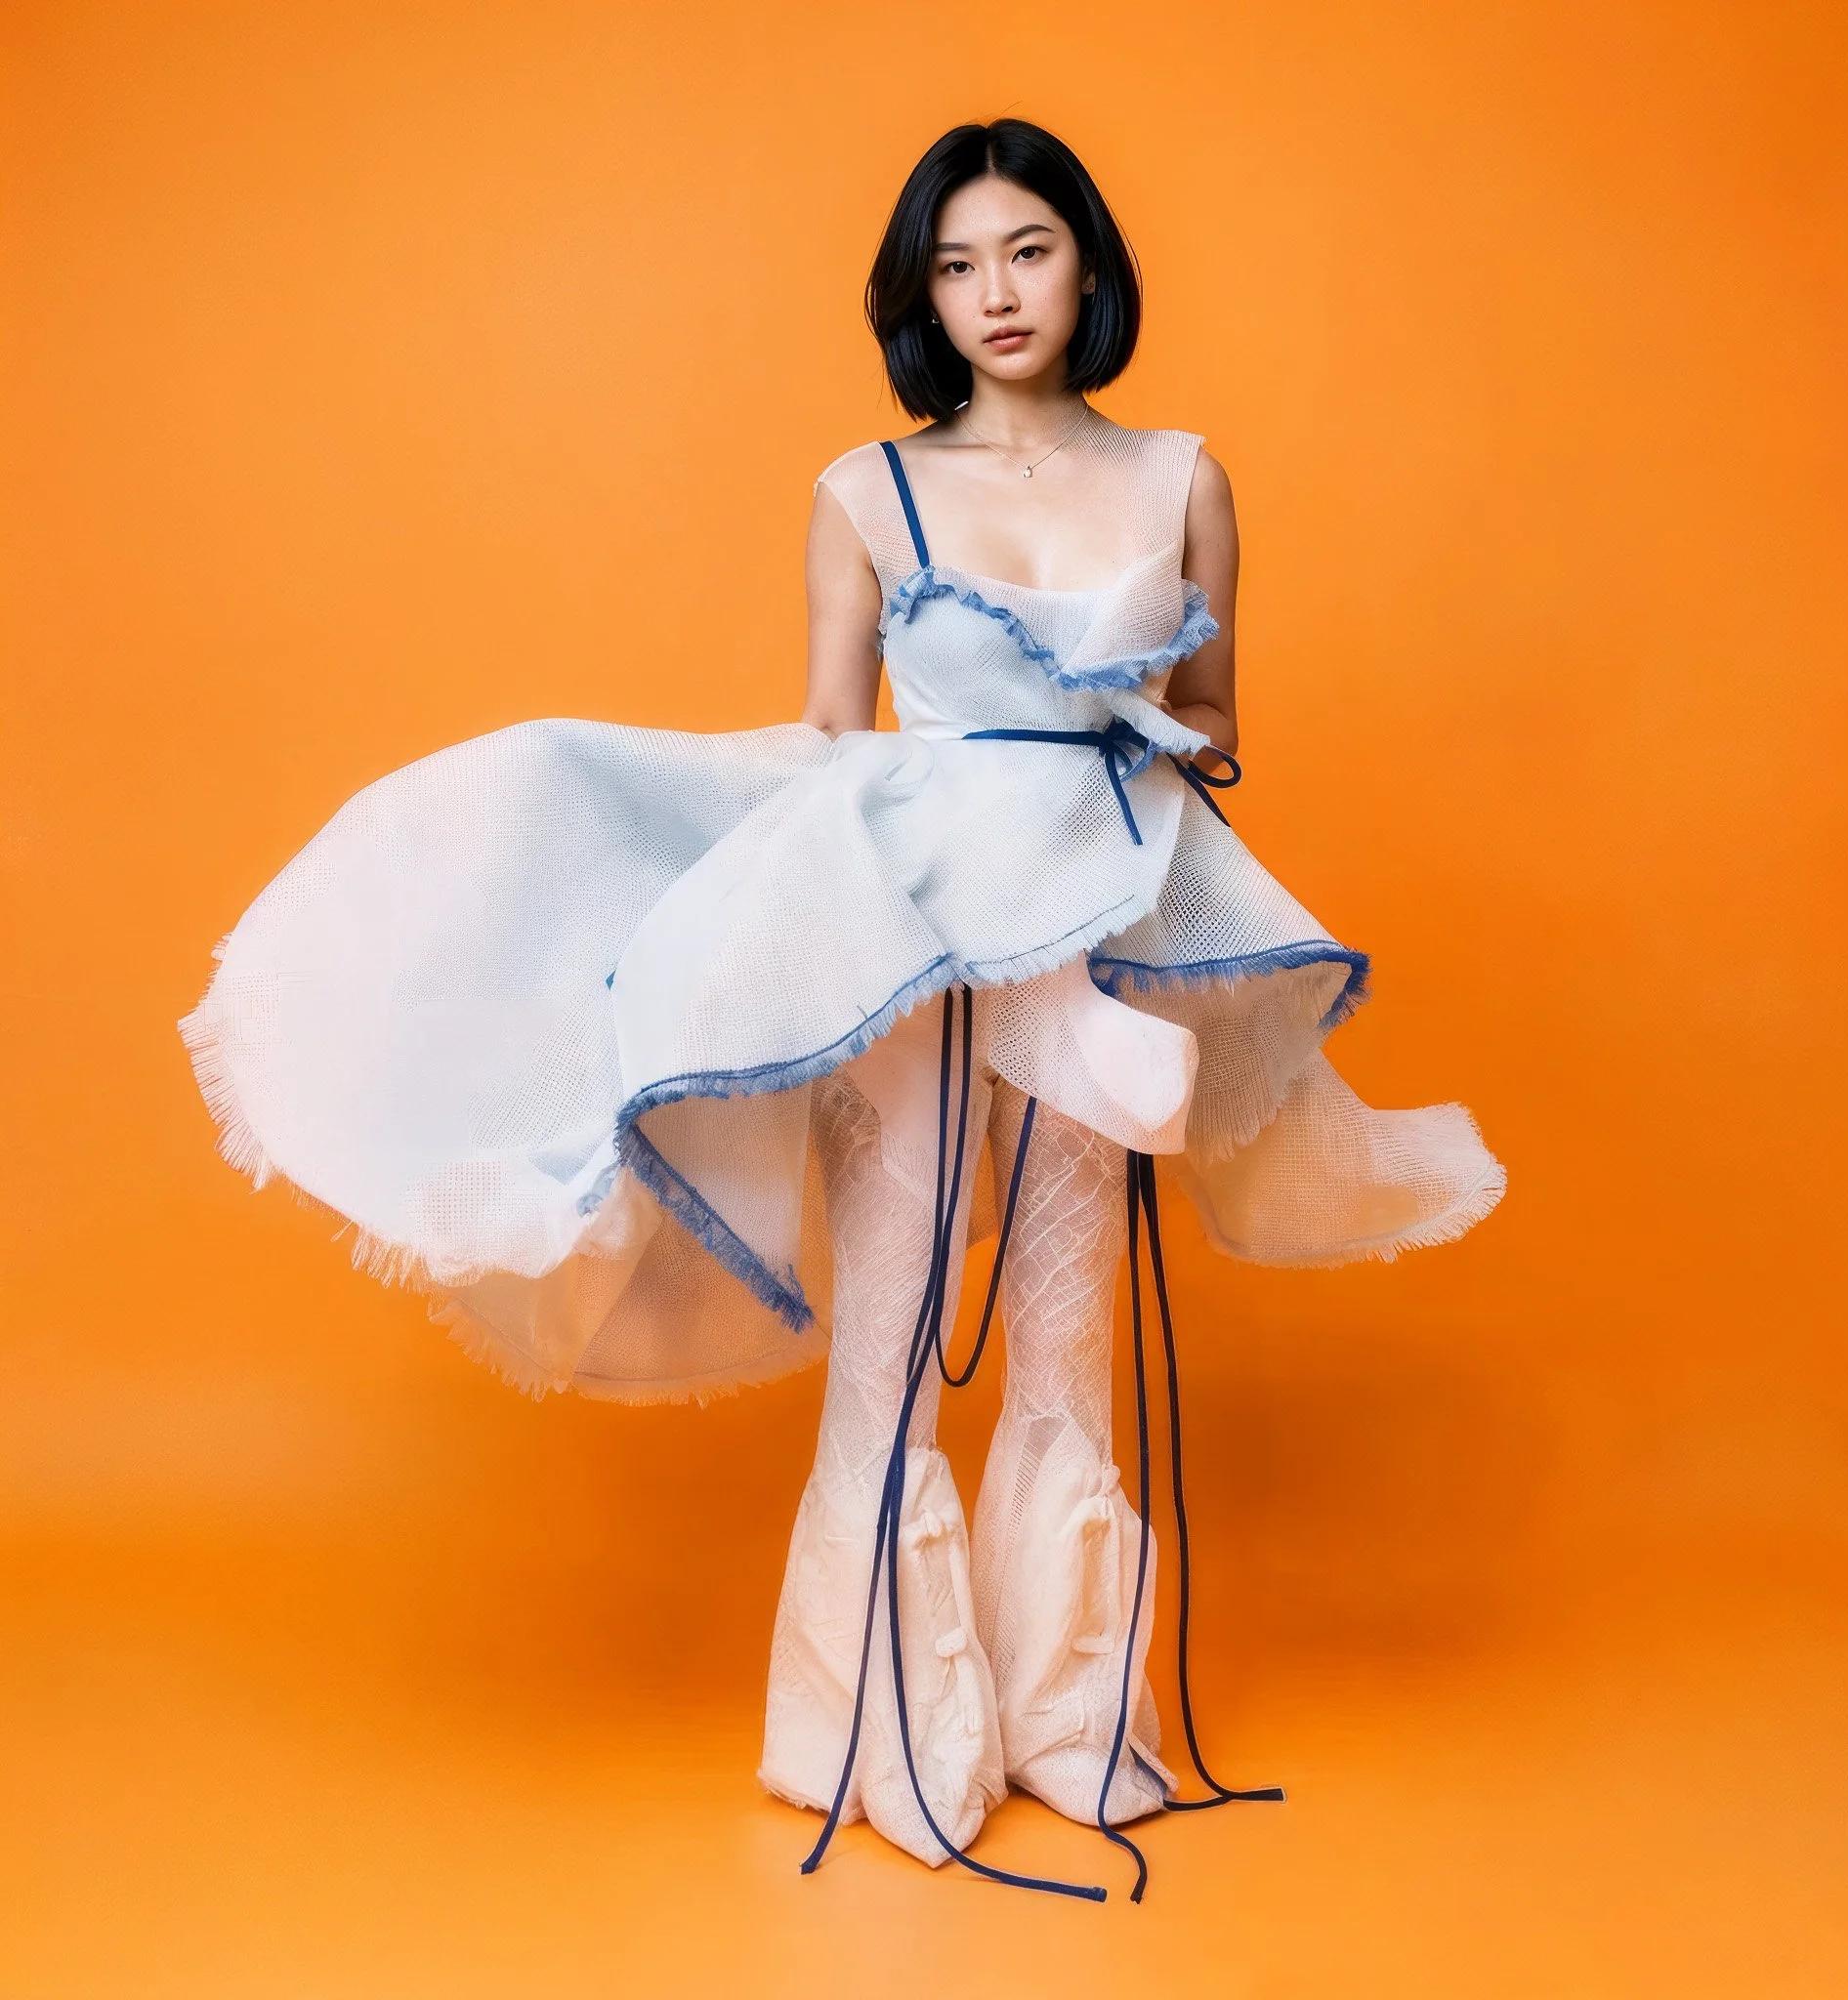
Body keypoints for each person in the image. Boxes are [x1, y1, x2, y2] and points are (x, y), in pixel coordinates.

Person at [180, 118, 1504, 1903]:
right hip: (910, 958)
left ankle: (1071, 1728)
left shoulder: (1185, 476)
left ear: (1088, 262)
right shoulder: (863, 491)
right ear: (922, 297)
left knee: (1068, 1343)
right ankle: (879, 1744)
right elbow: (826, 744)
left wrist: (1120, 734)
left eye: (1025, 252)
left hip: (1092, 931)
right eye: (956, 267)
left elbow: (1222, 732)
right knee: (890, 1345)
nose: (994, 295)